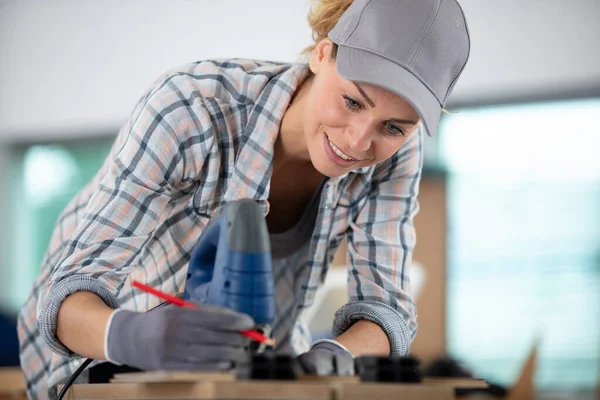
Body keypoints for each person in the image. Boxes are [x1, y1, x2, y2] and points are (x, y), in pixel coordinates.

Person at [17, 0, 470, 398]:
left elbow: (387, 308)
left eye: (394, 127)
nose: (358, 141)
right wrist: (133, 335)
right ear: (322, 53)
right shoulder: (190, 107)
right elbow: (63, 303)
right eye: (353, 101)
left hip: (242, 374)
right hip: (89, 364)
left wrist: (340, 352)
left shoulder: (396, 154)